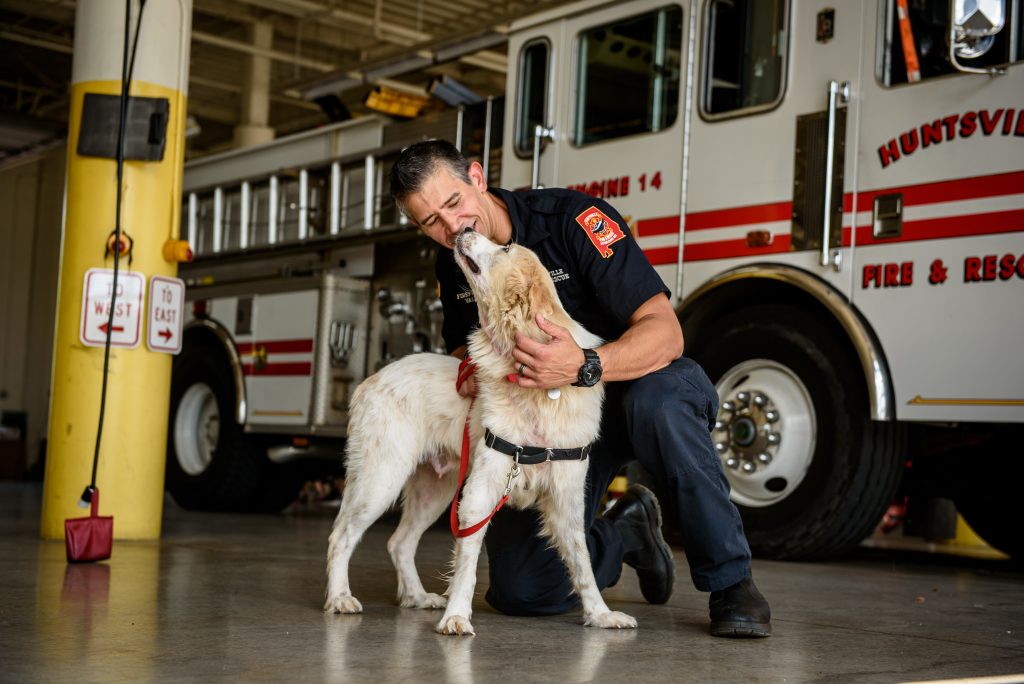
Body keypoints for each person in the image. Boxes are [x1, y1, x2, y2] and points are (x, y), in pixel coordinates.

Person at [389, 139, 771, 638]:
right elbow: (470, 347)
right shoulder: (455, 259)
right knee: (523, 591)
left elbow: (665, 332)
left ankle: (731, 581)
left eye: (454, 203)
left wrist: (585, 365)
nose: (452, 226)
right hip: (550, 420)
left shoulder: (573, 220)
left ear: (477, 179)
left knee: (663, 406)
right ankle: (626, 532)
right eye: (431, 222)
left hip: (631, 389)